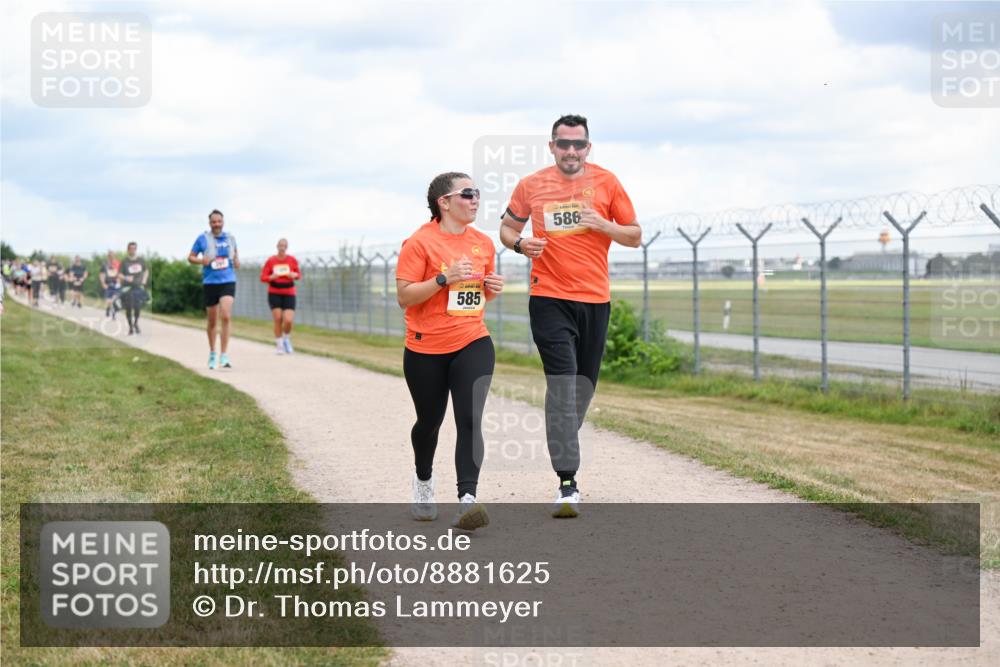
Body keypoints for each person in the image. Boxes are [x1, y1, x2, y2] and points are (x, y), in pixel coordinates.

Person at [499, 114, 641, 518]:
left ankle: (560, 433)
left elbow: (634, 235)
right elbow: (507, 228)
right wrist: (520, 245)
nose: (572, 151)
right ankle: (567, 483)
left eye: (579, 144)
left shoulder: (607, 182)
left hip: (595, 301)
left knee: (582, 390)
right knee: (562, 385)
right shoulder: (532, 185)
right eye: (564, 144)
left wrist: (602, 223)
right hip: (549, 298)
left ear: (588, 147)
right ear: (552, 147)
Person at [396, 172, 504, 531]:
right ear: (444, 202)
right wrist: (444, 278)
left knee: (470, 417)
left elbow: (474, 295)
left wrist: (490, 288)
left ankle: (467, 501)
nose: (476, 200)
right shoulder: (419, 243)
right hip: (426, 347)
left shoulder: (483, 243)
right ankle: (424, 481)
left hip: (472, 339)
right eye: (468, 193)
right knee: (429, 423)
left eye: (478, 194)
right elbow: (405, 297)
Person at [188, 209, 239, 370]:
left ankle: (224, 355)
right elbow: (190, 257)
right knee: (212, 321)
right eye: (214, 222)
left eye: (219, 221)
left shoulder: (230, 238)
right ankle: (212, 353)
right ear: (210, 223)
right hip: (210, 283)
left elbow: (235, 256)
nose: (217, 224)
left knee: (226, 315)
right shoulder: (203, 239)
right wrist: (201, 261)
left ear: (223, 222)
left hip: (228, 280)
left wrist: (237, 261)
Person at [259, 238, 301, 354]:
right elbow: (263, 277)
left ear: (287, 247)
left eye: (284, 246)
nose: (282, 248)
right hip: (274, 292)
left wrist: (294, 275)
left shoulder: (292, 260)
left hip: (289, 292)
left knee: (288, 320)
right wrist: (271, 277)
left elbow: (298, 275)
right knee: (278, 319)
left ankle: (286, 338)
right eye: (280, 245)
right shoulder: (271, 261)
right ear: (277, 246)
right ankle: (279, 344)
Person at [119, 242, 148, 335]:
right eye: (131, 248)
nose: (132, 250)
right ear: (128, 249)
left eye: (134, 248)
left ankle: (136, 323)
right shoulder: (124, 261)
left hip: (138, 287)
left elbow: (146, 270)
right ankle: (130, 327)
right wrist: (126, 278)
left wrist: (144, 280)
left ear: (136, 249)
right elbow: (119, 274)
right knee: (128, 308)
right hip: (128, 287)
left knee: (137, 307)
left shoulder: (140, 260)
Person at [99, 250, 122, 319]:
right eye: (110, 255)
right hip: (108, 284)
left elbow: (122, 273)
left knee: (114, 300)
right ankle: (108, 308)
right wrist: (103, 283)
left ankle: (113, 313)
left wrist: (120, 280)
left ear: (115, 255)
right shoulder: (105, 264)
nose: (111, 257)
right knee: (108, 301)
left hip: (116, 285)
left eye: (112, 255)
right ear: (108, 256)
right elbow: (101, 274)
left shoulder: (119, 264)